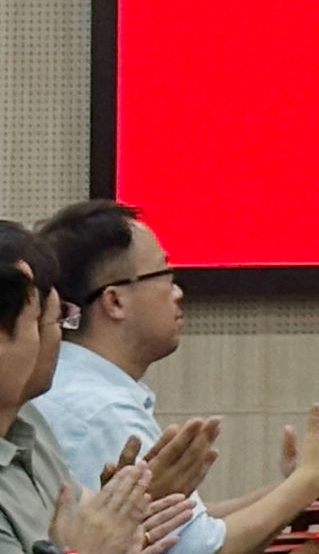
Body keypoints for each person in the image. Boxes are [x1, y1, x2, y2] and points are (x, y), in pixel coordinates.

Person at [31, 203, 319, 554]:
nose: (178, 292)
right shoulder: (98, 411)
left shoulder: (82, 386)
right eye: (165, 275)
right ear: (114, 302)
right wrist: (310, 480)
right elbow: (207, 550)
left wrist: (302, 480)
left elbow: (189, 527)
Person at [0, 222, 192, 554]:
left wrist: (124, 510)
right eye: (52, 320)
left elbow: (89, 521)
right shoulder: (92, 407)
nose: (57, 339)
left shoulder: (28, 423)